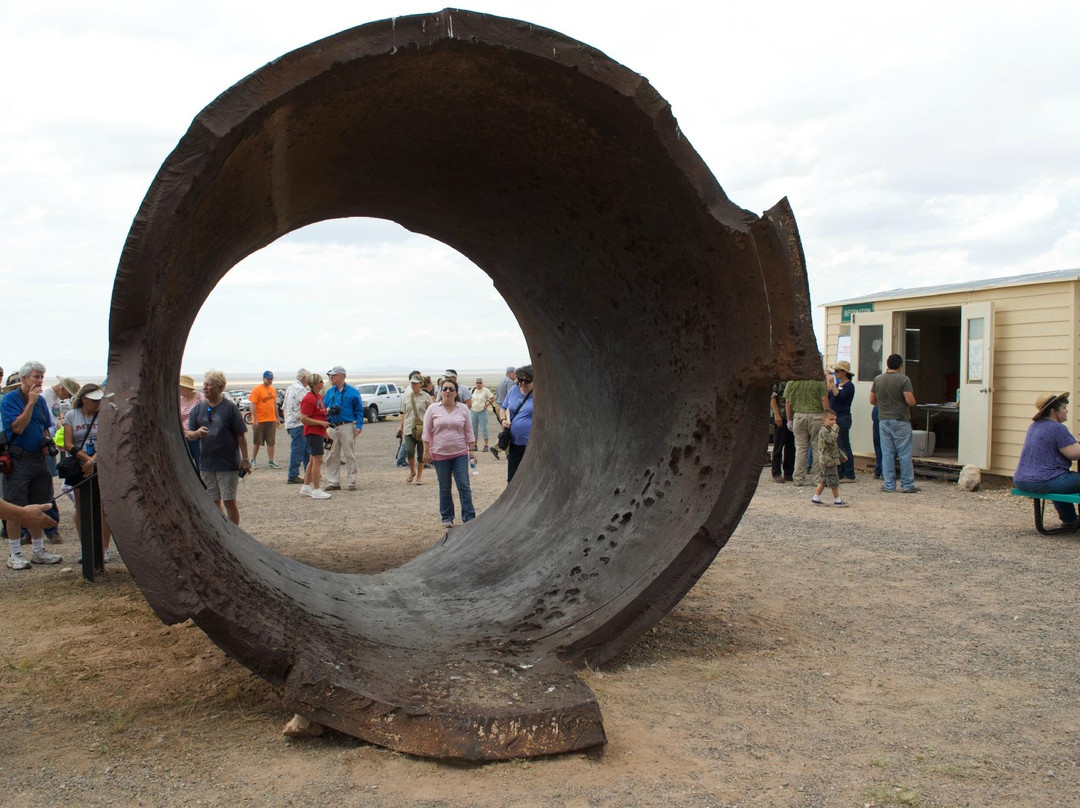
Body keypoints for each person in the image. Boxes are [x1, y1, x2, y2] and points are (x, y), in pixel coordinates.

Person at [2, 361, 63, 569]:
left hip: (39, 459)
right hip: (18, 459)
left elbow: (45, 427)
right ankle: (15, 554)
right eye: (36, 377)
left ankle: (38, 550)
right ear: (24, 378)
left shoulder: (41, 401)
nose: (39, 381)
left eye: (42, 377)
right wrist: (29, 403)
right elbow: (17, 428)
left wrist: (48, 444)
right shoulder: (10, 400)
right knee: (15, 506)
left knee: (40, 503)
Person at [185, 370, 252, 524]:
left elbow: (241, 436)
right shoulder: (198, 409)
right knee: (213, 502)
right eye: (204, 384)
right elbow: (189, 434)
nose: (205, 387)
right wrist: (197, 433)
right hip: (206, 464)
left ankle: (234, 533)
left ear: (220, 388)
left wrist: (245, 459)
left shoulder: (230, 408)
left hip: (227, 463)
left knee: (229, 501)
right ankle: (222, 530)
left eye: (208, 385)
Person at [1013, 392, 1080, 526]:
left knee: (1059, 479)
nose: (1066, 411)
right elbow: (1075, 454)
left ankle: (1069, 519)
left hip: (1022, 480)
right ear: (1053, 411)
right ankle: (1069, 519)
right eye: (1064, 408)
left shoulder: (1034, 426)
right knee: (1060, 480)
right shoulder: (1057, 428)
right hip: (1044, 480)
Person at [64, 383, 114, 561]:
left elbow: (108, 441)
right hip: (80, 465)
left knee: (102, 507)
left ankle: (104, 547)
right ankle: (85, 546)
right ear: (84, 399)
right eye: (94, 401)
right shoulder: (71, 415)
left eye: (100, 400)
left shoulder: (104, 415)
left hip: (100, 463)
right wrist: (86, 459)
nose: (98, 404)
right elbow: (68, 443)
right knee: (81, 507)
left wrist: (93, 460)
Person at [422, 377, 476, 526]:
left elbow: (469, 431)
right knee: (445, 487)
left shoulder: (463, 409)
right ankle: (447, 517)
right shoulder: (433, 409)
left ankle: (469, 517)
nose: (447, 391)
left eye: (451, 389)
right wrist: (426, 451)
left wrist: (472, 450)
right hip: (440, 454)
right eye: (444, 389)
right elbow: (427, 432)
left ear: (456, 392)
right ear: (440, 391)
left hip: (460, 453)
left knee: (464, 485)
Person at [870, 354, 919, 494]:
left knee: (887, 453)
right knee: (904, 453)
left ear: (887, 364)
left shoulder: (878, 379)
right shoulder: (904, 379)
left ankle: (889, 484)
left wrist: (883, 405)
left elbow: (872, 400)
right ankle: (907, 484)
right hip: (900, 419)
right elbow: (910, 401)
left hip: (883, 419)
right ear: (900, 366)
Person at [322, 366, 363, 492]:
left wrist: (358, 426)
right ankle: (333, 481)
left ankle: (352, 481)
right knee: (331, 455)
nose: (331, 378)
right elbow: (323, 409)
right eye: (330, 376)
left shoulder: (353, 392)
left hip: (347, 426)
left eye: (334, 375)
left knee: (349, 454)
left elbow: (359, 411)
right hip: (331, 427)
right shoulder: (329, 392)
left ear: (342, 376)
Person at [783, 375, 828, 487]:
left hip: (798, 415)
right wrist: (827, 416)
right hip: (816, 416)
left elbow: (788, 402)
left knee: (800, 448)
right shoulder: (819, 381)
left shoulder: (792, 381)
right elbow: (824, 399)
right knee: (817, 448)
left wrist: (789, 419)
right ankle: (816, 478)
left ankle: (798, 478)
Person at [299, 373, 333, 500]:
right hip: (312, 432)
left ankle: (306, 486)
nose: (323, 383)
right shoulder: (309, 398)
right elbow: (304, 418)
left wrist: (325, 431)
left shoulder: (318, 396)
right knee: (318, 460)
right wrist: (320, 423)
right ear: (314, 384)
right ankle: (317, 489)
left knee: (313, 460)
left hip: (319, 431)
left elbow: (320, 415)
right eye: (320, 381)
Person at [500, 364, 534, 484]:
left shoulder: (540, 393)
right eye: (520, 380)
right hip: (515, 443)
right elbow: (503, 407)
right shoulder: (514, 390)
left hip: (532, 445)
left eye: (527, 380)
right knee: (512, 478)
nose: (523, 383)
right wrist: (503, 420)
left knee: (530, 478)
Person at [397, 374, 432, 485]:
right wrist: (401, 426)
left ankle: (419, 477)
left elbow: (431, 413)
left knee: (421, 453)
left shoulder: (426, 397)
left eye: (415, 383)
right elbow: (404, 413)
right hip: (409, 428)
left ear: (421, 384)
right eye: (412, 383)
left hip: (422, 429)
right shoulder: (407, 397)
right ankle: (412, 471)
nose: (413, 385)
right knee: (409, 451)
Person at [811, 409, 849, 507]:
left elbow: (834, 446)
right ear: (824, 420)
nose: (834, 422)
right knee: (834, 480)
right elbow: (831, 440)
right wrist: (836, 430)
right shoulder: (824, 431)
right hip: (828, 461)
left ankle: (816, 497)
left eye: (835, 420)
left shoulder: (829, 431)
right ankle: (837, 500)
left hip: (831, 459)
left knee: (823, 480)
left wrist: (841, 455)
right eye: (831, 419)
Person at [828, 361, 856, 482]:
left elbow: (839, 396)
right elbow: (831, 396)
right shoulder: (838, 385)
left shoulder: (849, 386)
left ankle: (849, 473)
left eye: (838, 371)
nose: (836, 373)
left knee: (844, 445)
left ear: (844, 372)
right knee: (837, 446)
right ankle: (841, 471)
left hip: (843, 417)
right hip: (835, 417)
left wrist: (833, 385)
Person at [282, 368, 310, 484]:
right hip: (298, 423)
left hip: (292, 422)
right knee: (298, 449)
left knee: (306, 449)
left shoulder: (290, 388)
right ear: (304, 378)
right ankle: (293, 475)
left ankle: (309, 472)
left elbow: (284, 406)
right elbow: (308, 403)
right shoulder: (300, 390)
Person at [249, 370, 280, 469]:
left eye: (271, 379)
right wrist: (255, 419)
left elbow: (274, 405)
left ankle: (271, 461)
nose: (270, 381)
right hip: (260, 420)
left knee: (271, 442)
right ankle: (253, 460)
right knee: (257, 441)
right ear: (264, 378)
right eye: (268, 379)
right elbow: (253, 404)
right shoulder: (257, 389)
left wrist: (277, 418)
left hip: (271, 419)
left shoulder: (273, 390)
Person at [770, 380, 795, 483]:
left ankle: (788, 472)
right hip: (781, 415)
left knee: (791, 447)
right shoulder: (778, 380)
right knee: (778, 445)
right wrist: (776, 414)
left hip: (793, 416)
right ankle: (776, 472)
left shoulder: (794, 379)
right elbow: (772, 396)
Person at [178, 374, 204, 469]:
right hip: (183, 436)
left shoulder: (200, 398)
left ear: (187, 388)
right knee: (187, 464)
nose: (179, 390)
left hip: (197, 436)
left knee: (199, 461)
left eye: (181, 388)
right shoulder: (180, 399)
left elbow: (209, 412)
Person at [469, 377, 495, 452]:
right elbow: (469, 398)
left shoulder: (485, 390)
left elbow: (492, 398)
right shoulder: (473, 390)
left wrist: (486, 405)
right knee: (474, 429)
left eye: (480, 383)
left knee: (484, 428)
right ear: (475, 383)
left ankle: (486, 445)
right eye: (477, 383)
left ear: (482, 383)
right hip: (473, 411)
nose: (478, 384)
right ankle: (475, 445)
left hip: (482, 412)